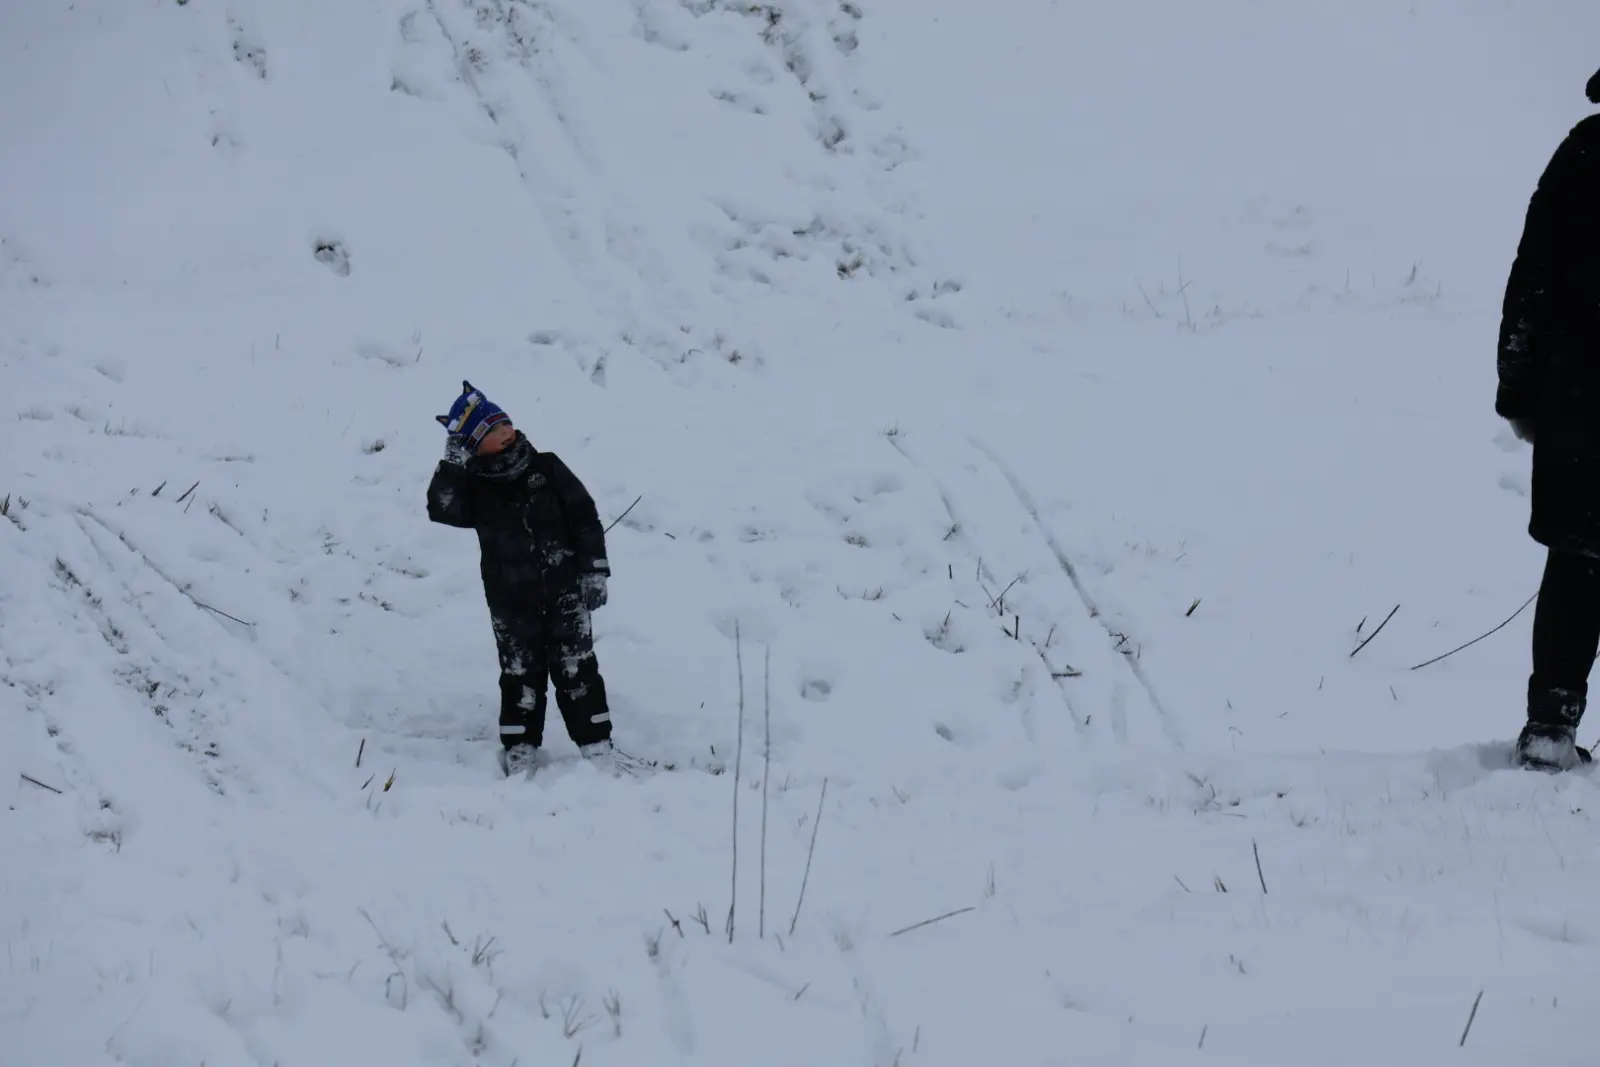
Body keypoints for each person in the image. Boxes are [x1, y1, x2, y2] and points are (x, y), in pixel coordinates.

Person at [426, 381, 617, 777]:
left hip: (565, 592)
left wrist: (594, 571)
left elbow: (584, 517)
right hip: (510, 601)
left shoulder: (546, 467)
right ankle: (520, 747)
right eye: (494, 431)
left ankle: (596, 743)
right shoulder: (475, 488)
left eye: (505, 424)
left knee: (576, 668)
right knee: (520, 674)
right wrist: (451, 466)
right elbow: (442, 509)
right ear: (475, 446)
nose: (506, 432)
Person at [1497, 69, 1600, 771]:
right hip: (1582, 404)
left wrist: (1520, 392)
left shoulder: (1584, 153)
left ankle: (1549, 729)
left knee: (1579, 562)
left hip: (1582, 407)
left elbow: (1530, 282)